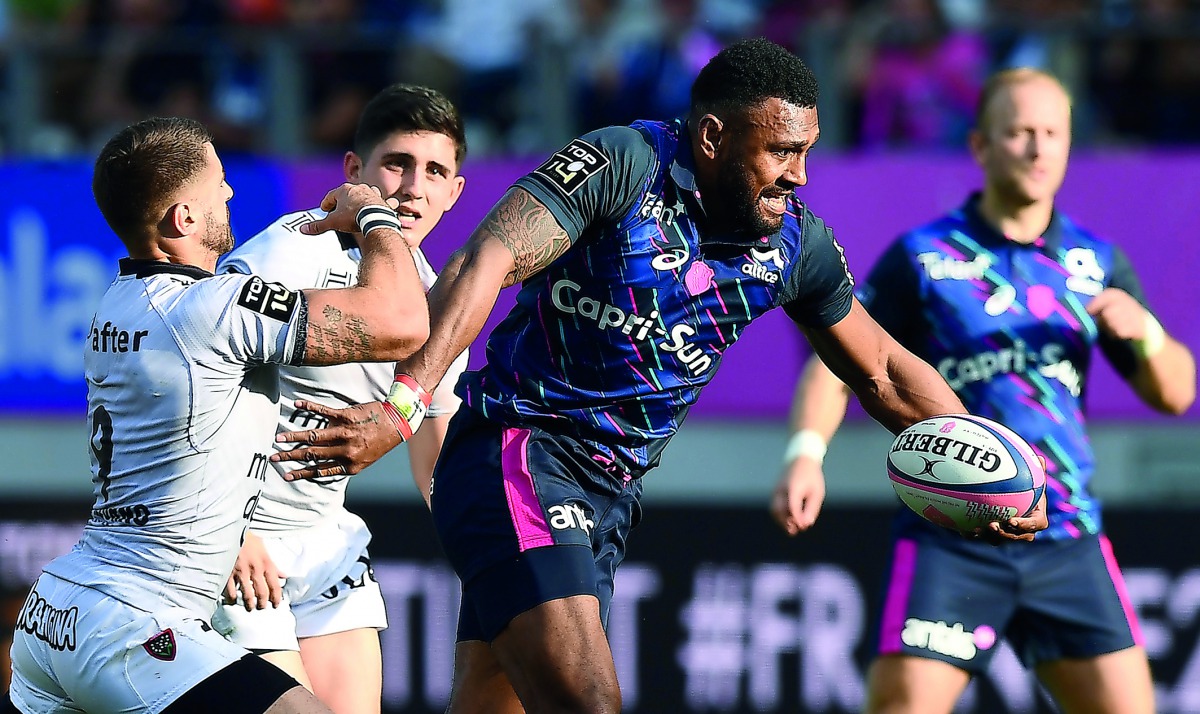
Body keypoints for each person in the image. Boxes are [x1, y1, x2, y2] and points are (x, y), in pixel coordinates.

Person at [269, 39, 1047, 714]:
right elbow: (487, 258)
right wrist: (403, 404)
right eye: (781, 152)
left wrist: (992, 465)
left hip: (609, 499)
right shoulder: (622, 163)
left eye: (806, 152)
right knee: (589, 704)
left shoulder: (796, 246)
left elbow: (882, 370)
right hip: (520, 455)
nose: (799, 177)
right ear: (712, 137)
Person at [771, 67, 1196, 714]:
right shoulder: (924, 257)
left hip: (1065, 533)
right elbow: (839, 362)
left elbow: (1175, 396)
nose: (1037, 147)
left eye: (1052, 132)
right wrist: (805, 453)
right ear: (980, 146)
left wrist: (1148, 337)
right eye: (1019, 131)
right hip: (953, 534)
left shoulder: (1096, 262)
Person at [5, 116, 431, 714]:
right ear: (183, 219)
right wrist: (371, 215)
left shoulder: (117, 301)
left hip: (57, 615)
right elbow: (403, 323)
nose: (231, 194)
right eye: (219, 184)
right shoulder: (212, 311)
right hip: (138, 623)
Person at [211, 84, 470, 713]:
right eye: (396, 164)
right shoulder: (292, 250)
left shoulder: (440, 306)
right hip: (239, 541)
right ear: (354, 172)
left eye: (434, 171)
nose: (414, 187)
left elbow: (438, 463)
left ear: (454, 192)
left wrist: (492, 553)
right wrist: (226, 530)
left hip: (327, 544)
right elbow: (202, 380)